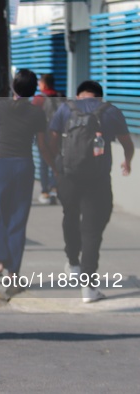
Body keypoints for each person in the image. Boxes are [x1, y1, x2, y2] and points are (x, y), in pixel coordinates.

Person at [48, 80, 135, 303]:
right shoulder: (111, 111)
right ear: (99, 96)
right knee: (93, 229)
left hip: (69, 175)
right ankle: (88, 287)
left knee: (69, 215)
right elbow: (127, 143)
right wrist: (127, 162)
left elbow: (52, 141)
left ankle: (73, 263)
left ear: (79, 95)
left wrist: (57, 167)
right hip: (98, 179)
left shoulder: (65, 109)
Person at [0, 69, 50, 295]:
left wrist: (3, 149)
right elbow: (42, 147)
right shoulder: (37, 114)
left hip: (1, 164)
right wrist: (53, 166)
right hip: (24, 165)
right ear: (34, 90)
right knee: (18, 219)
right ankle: (13, 276)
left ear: (13, 86)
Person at [32, 73, 64, 205]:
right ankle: (55, 188)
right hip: (60, 134)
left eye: (39, 83)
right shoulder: (61, 96)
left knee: (44, 162)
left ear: (44, 84)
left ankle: (45, 190)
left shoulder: (39, 99)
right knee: (58, 160)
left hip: (43, 134)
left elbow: (33, 116)